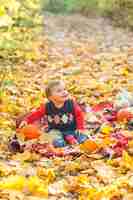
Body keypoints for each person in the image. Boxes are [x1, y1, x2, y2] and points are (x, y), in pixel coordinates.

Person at [19, 80, 88, 147]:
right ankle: (64, 141)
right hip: (55, 130)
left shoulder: (71, 104)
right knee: (57, 143)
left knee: (83, 139)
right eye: (59, 91)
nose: (64, 92)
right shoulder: (47, 107)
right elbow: (37, 114)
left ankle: (70, 137)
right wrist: (26, 120)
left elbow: (79, 115)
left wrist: (80, 128)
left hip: (71, 129)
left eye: (64, 89)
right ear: (50, 98)